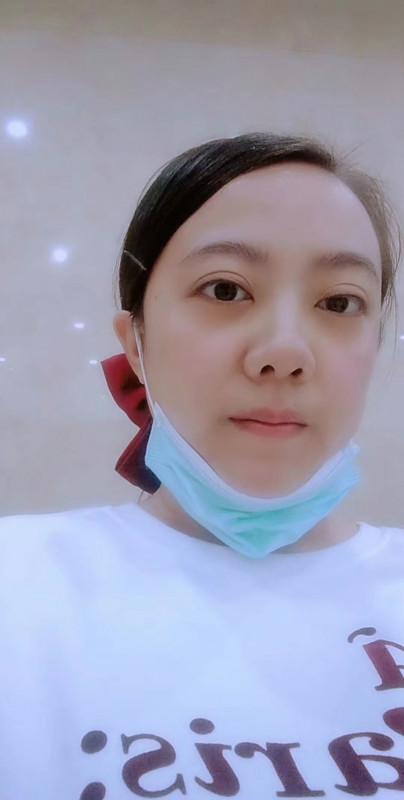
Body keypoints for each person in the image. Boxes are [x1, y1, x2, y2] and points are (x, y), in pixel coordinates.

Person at [1, 132, 403, 799]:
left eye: (339, 303)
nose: (284, 352)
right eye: (224, 289)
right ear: (135, 345)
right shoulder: (18, 588)